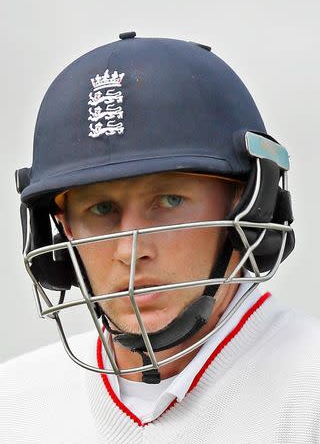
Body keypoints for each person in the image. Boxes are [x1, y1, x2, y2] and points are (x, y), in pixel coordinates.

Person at [2, 31, 320, 443]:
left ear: (249, 207)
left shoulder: (309, 395)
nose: (130, 251)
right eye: (100, 210)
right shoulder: (12, 405)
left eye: (170, 200)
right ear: (61, 226)